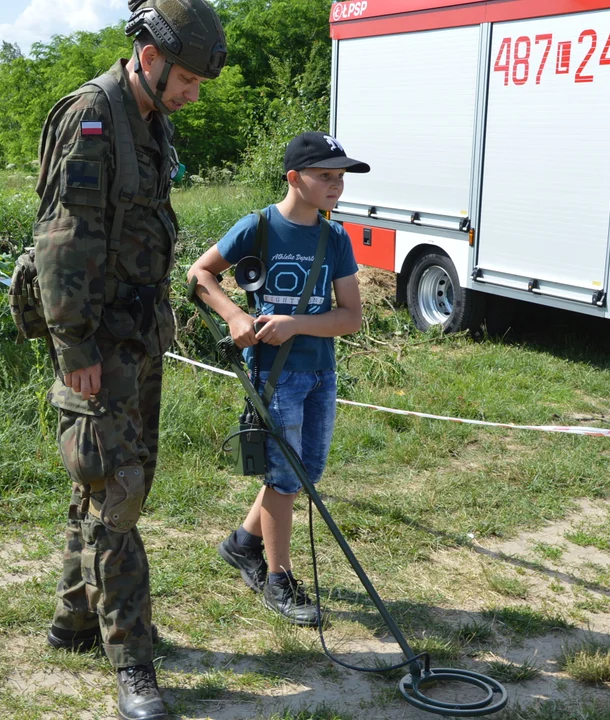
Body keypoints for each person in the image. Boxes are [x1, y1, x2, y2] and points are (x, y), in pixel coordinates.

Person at [31, 0, 226, 718]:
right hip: (97, 345)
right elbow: (61, 241)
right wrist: (74, 346)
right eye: (187, 80)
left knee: (102, 481)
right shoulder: (91, 116)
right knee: (121, 492)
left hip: (138, 337)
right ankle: (132, 660)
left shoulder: (149, 119)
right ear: (150, 55)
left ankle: (75, 617)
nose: (192, 93)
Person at [187, 131, 367, 626]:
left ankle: (243, 544)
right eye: (325, 176)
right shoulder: (258, 227)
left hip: (320, 371)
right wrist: (233, 316)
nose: (336, 186)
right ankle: (277, 578)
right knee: (284, 477)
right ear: (294, 178)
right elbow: (199, 274)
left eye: (340, 178)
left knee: (305, 470)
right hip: (274, 374)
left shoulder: (335, 238)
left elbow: (350, 316)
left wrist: (296, 324)